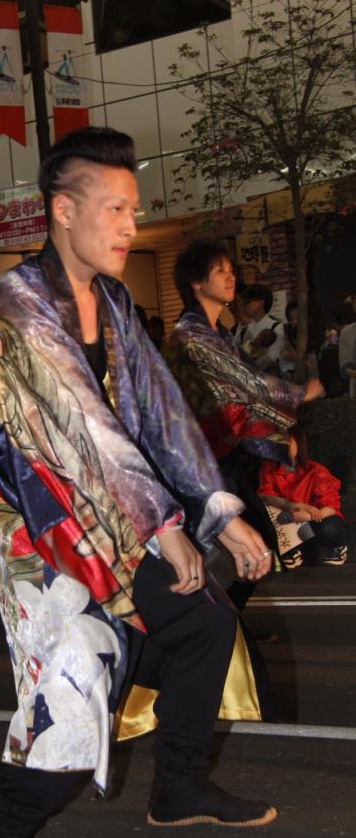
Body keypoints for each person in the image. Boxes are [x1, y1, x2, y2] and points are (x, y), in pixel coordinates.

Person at [0, 127, 275, 838]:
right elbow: (81, 425)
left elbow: (159, 412)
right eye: (116, 208)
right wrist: (166, 524)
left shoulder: (116, 300)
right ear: (64, 210)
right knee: (81, 669)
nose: (131, 225)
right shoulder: (13, 304)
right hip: (35, 523)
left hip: (111, 508)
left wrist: (219, 508)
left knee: (202, 623)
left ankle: (180, 787)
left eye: (135, 208)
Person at [168, 239, 323, 605]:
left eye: (231, 270)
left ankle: (224, 627)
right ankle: (215, 629)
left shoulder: (216, 331)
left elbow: (242, 375)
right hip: (200, 461)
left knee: (251, 548)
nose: (230, 277)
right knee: (246, 546)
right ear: (196, 282)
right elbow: (247, 382)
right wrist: (299, 394)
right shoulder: (191, 335)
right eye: (220, 271)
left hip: (222, 454)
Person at [259, 426, 348, 567]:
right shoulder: (268, 469)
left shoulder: (315, 470)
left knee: (329, 527)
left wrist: (307, 516)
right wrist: (297, 506)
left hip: (315, 521)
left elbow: (331, 507)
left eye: (288, 442)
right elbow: (266, 496)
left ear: (298, 445)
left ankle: (337, 547)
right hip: (288, 519)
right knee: (268, 515)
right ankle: (290, 551)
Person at [235, 284, 285, 373]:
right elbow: (232, 351)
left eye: (247, 302)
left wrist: (248, 367)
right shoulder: (243, 331)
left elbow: (271, 358)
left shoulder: (277, 327)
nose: (244, 306)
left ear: (260, 303)